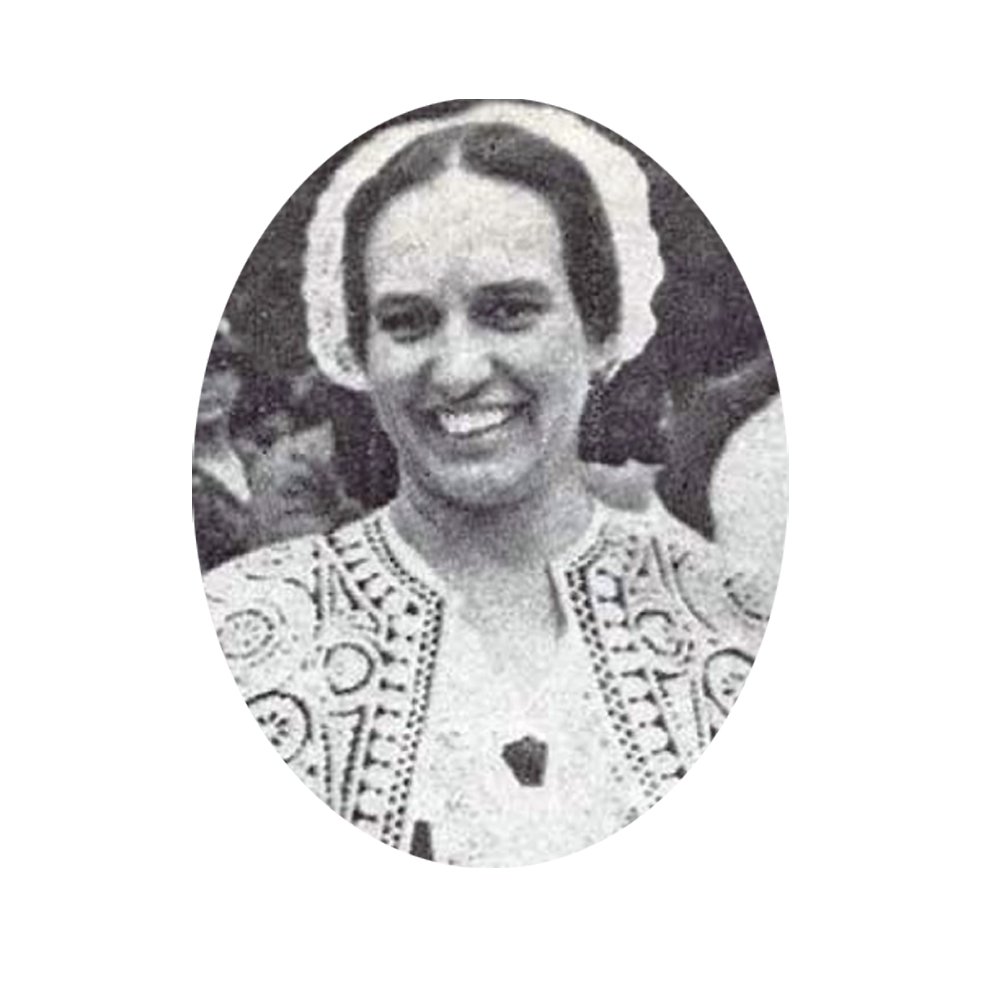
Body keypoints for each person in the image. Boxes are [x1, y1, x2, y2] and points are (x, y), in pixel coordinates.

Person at [205, 102, 776, 867]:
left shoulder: (739, 626)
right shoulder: (233, 638)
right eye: (408, 322)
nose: (459, 370)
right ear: (359, 353)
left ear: (600, 330)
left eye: (508, 310)